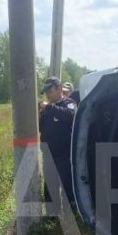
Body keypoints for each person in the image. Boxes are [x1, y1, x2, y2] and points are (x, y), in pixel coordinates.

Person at [38, 75, 77, 207]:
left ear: (59, 89)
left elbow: (71, 115)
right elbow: (40, 128)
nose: (48, 95)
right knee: (50, 187)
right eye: (46, 93)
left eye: (50, 91)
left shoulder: (69, 103)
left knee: (67, 187)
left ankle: (71, 215)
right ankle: (52, 217)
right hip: (49, 154)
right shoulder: (47, 109)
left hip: (64, 155)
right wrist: (39, 114)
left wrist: (49, 108)